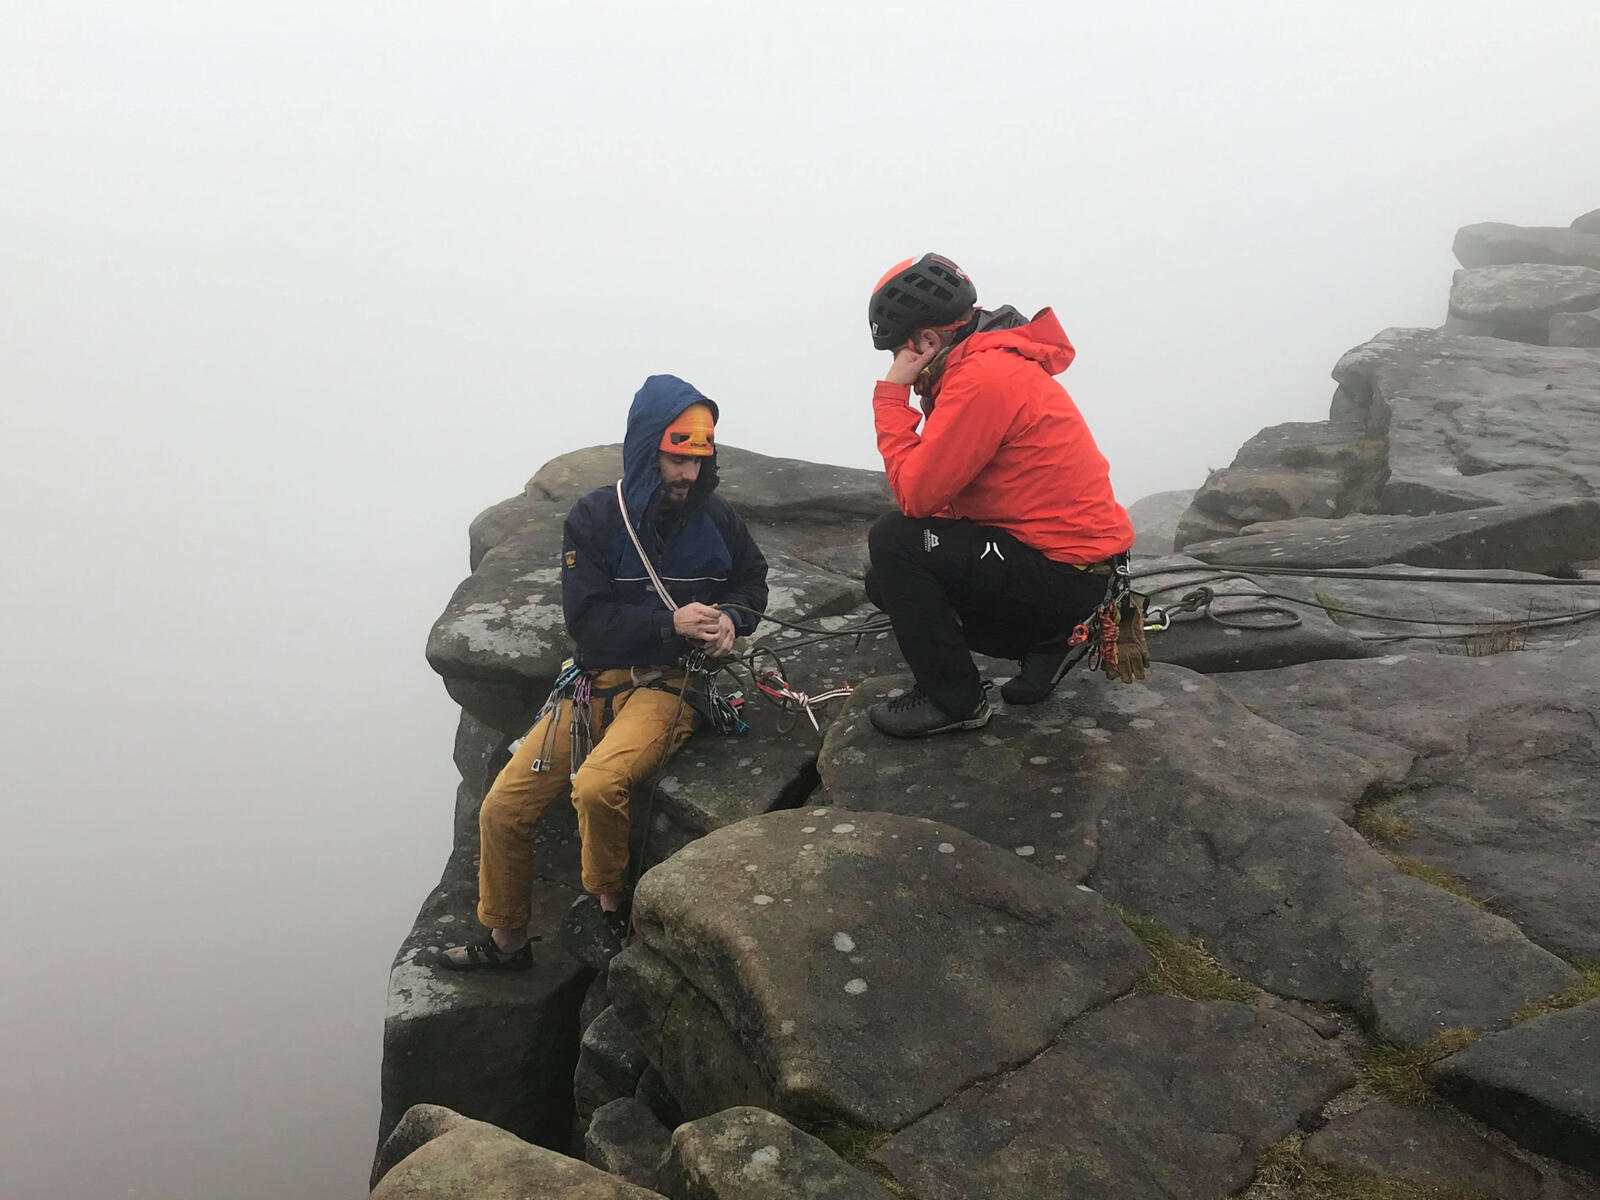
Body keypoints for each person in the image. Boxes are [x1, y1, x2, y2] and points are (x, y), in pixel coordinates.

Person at [442, 375, 769, 969]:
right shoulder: (595, 517)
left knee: (597, 785)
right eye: (676, 458)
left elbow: (751, 581)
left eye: (698, 460)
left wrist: (731, 618)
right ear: (647, 450)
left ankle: (609, 906)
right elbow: (587, 623)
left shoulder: (717, 518)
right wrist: (670, 623)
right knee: (501, 808)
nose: (688, 474)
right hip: (591, 683)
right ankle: (506, 941)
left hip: (671, 685)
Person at [862, 253, 1136, 738]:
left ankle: (955, 700)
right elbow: (948, 495)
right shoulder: (984, 366)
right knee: (884, 581)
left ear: (927, 341)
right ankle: (1051, 643)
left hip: (1064, 576)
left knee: (893, 541)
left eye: (899, 351)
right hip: (1073, 572)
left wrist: (890, 395)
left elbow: (916, 496)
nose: (899, 364)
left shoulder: (983, 377)